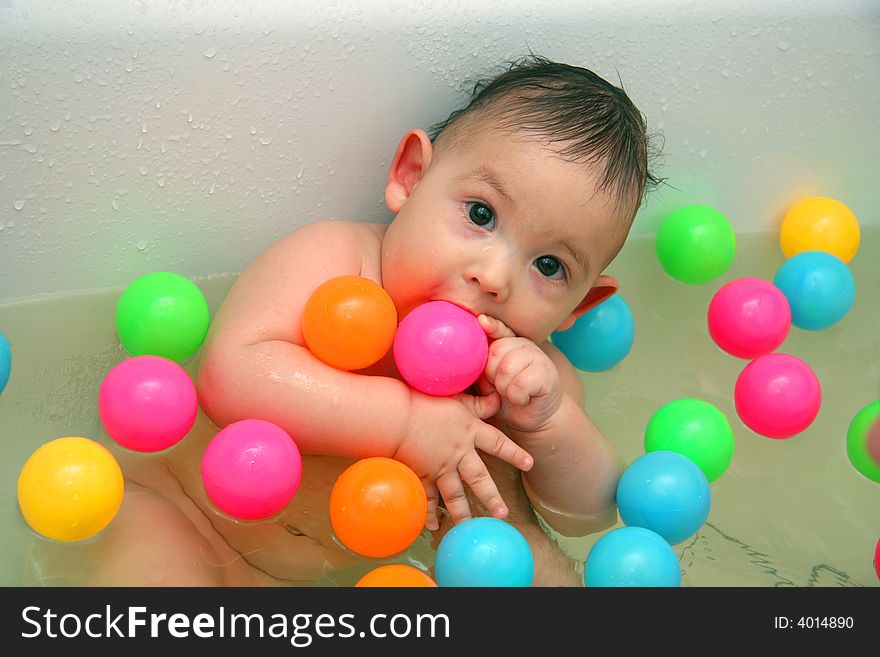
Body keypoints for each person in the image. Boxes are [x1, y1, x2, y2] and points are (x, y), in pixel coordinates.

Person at [24, 55, 658, 587]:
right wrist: (407, 422)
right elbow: (233, 373)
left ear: (578, 306)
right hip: (191, 514)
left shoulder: (530, 378)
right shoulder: (336, 263)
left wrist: (550, 422)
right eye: (482, 216)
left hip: (353, 570)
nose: (494, 276)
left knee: (537, 562)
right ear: (411, 177)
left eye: (549, 265)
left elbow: (586, 512)